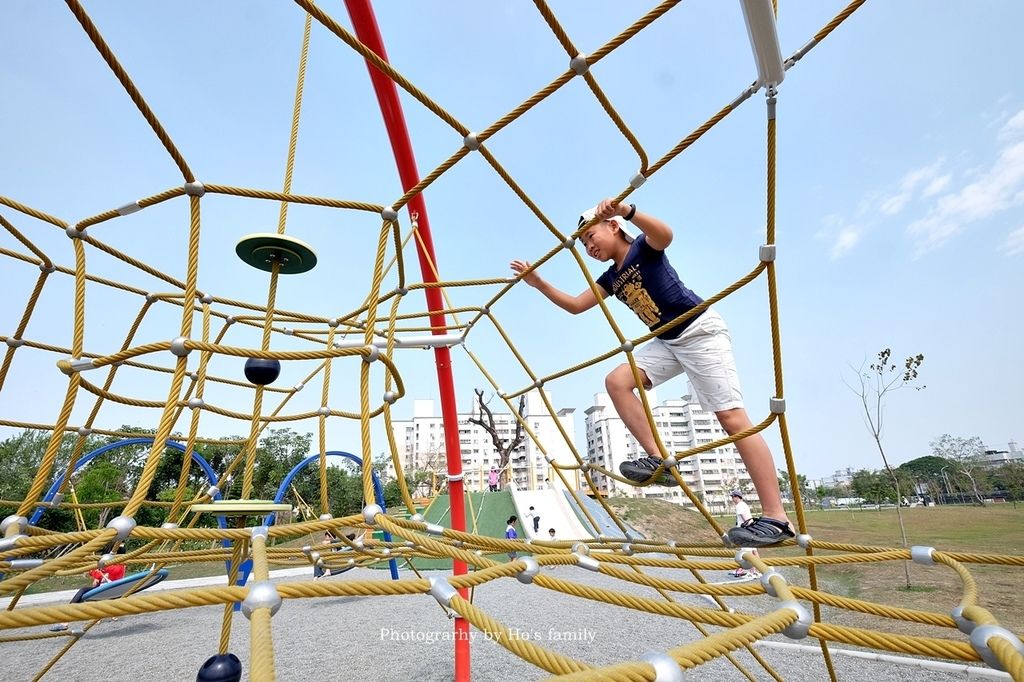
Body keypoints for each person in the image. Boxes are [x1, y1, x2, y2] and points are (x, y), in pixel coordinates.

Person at [510, 199, 794, 548]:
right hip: (668, 342)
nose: (589, 246)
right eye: (583, 243)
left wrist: (627, 211)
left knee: (732, 418)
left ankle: (777, 517)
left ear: (613, 226)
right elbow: (575, 306)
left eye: (591, 236)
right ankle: (659, 460)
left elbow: (665, 234)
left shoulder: (644, 248)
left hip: (699, 330)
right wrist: (539, 283)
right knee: (617, 381)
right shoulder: (611, 278)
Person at [51, 544, 128, 631]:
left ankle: (66, 620)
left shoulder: (118, 567)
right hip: (108, 590)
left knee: (83, 591)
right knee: (83, 593)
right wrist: (99, 576)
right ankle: (67, 620)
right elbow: (96, 571)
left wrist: (98, 575)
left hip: (107, 591)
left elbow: (93, 570)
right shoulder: (119, 565)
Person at [727, 491, 760, 577]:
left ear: (737, 497)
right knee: (754, 551)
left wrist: (747, 526)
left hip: (744, 530)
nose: (732, 499)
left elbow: (744, 518)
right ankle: (758, 570)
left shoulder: (739, 506)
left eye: (733, 497)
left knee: (746, 552)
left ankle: (751, 571)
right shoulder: (744, 504)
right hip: (750, 529)